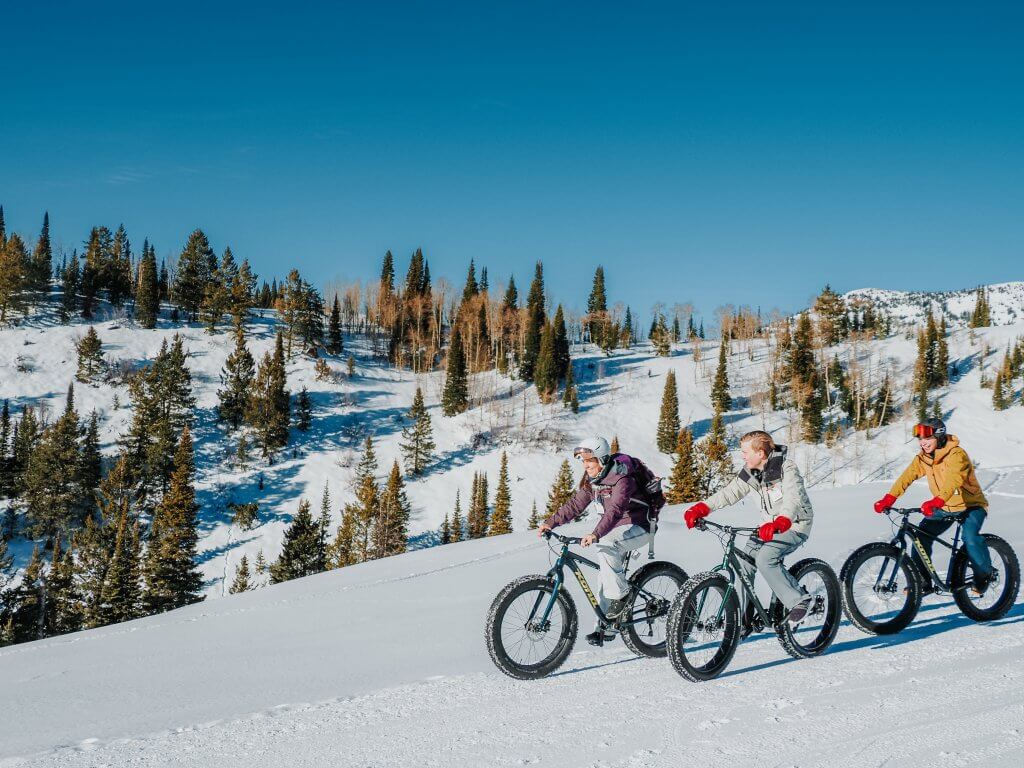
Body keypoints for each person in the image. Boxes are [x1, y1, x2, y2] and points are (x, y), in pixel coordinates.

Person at [683, 430, 814, 626]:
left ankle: (799, 601)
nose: (742, 456)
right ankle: (745, 615)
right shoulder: (750, 472)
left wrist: (782, 520)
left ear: (760, 453)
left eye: (745, 452)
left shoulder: (786, 469)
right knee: (745, 564)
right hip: (767, 527)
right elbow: (730, 492)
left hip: (794, 524)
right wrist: (703, 507)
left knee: (765, 559)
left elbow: (792, 498)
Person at [538, 436, 654, 646]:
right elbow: (575, 505)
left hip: (640, 526)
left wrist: (596, 534)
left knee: (605, 546)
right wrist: (550, 523)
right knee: (605, 575)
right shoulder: (594, 482)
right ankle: (605, 627)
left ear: (601, 459)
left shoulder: (622, 478)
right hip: (615, 529)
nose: (585, 465)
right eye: (582, 461)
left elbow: (616, 510)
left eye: (588, 461)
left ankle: (621, 597)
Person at [872, 418, 993, 594]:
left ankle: (984, 575)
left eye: (927, 439)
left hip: (971, 505)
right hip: (944, 507)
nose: (923, 443)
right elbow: (906, 477)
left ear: (939, 436)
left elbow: (954, 480)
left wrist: (937, 501)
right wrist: (889, 498)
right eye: (920, 439)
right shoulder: (924, 458)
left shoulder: (956, 455)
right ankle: (923, 582)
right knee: (920, 538)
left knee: (970, 538)